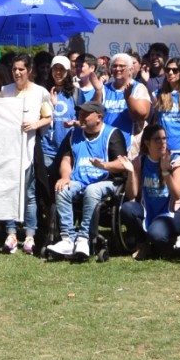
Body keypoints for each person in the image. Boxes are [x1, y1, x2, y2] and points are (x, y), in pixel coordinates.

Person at [45, 101, 128, 261]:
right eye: (80, 114)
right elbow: (67, 159)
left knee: (92, 190)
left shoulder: (112, 134)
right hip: (78, 180)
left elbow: (122, 164)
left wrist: (104, 165)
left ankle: (84, 239)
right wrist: (65, 177)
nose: (80, 117)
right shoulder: (74, 134)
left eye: (85, 114)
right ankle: (68, 239)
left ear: (99, 117)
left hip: (106, 181)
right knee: (62, 189)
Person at [1, 54, 53, 255]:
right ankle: (11, 233)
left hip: (30, 147)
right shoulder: (6, 91)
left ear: (29, 70)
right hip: (9, 149)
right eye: (14, 69)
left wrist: (35, 124)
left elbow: (48, 117)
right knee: (10, 191)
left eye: (21, 69)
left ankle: (30, 234)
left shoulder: (40, 92)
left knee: (29, 193)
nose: (17, 73)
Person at [121, 124, 180, 259]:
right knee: (127, 208)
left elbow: (177, 195)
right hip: (148, 210)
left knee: (156, 235)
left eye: (164, 138)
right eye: (157, 139)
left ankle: (167, 243)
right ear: (147, 143)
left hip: (170, 213)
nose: (162, 143)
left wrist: (165, 172)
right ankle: (142, 245)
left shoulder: (176, 161)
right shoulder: (140, 161)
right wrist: (131, 173)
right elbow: (131, 194)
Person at [102, 53, 151, 151]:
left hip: (129, 146)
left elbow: (143, 114)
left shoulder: (139, 88)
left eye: (122, 66)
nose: (117, 69)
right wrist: (97, 90)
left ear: (131, 70)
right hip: (106, 144)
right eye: (114, 66)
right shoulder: (104, 88)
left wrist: (128, 98)